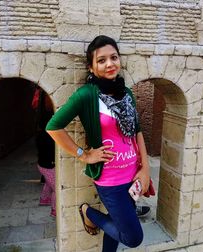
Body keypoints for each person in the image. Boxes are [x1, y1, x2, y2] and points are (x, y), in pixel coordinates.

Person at [46, 35, 150, 251]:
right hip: (110, 180)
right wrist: (85, 155)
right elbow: (53, 127)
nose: (110, 64)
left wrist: (145, 169)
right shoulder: (86, 95)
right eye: (101, 60)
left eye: (114, 57)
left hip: (132, 176)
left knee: (118, 225)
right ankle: (89, 212)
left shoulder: (127, 93)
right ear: (91, 67)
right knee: (132, 238)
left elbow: (137, 132)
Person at [32, 87, 56, 217]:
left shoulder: (41, 130)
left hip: (43, 163)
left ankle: (44, 199)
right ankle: (55, 210)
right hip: (47, 163)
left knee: (49, 180)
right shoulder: (47, 135)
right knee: (57, 187)